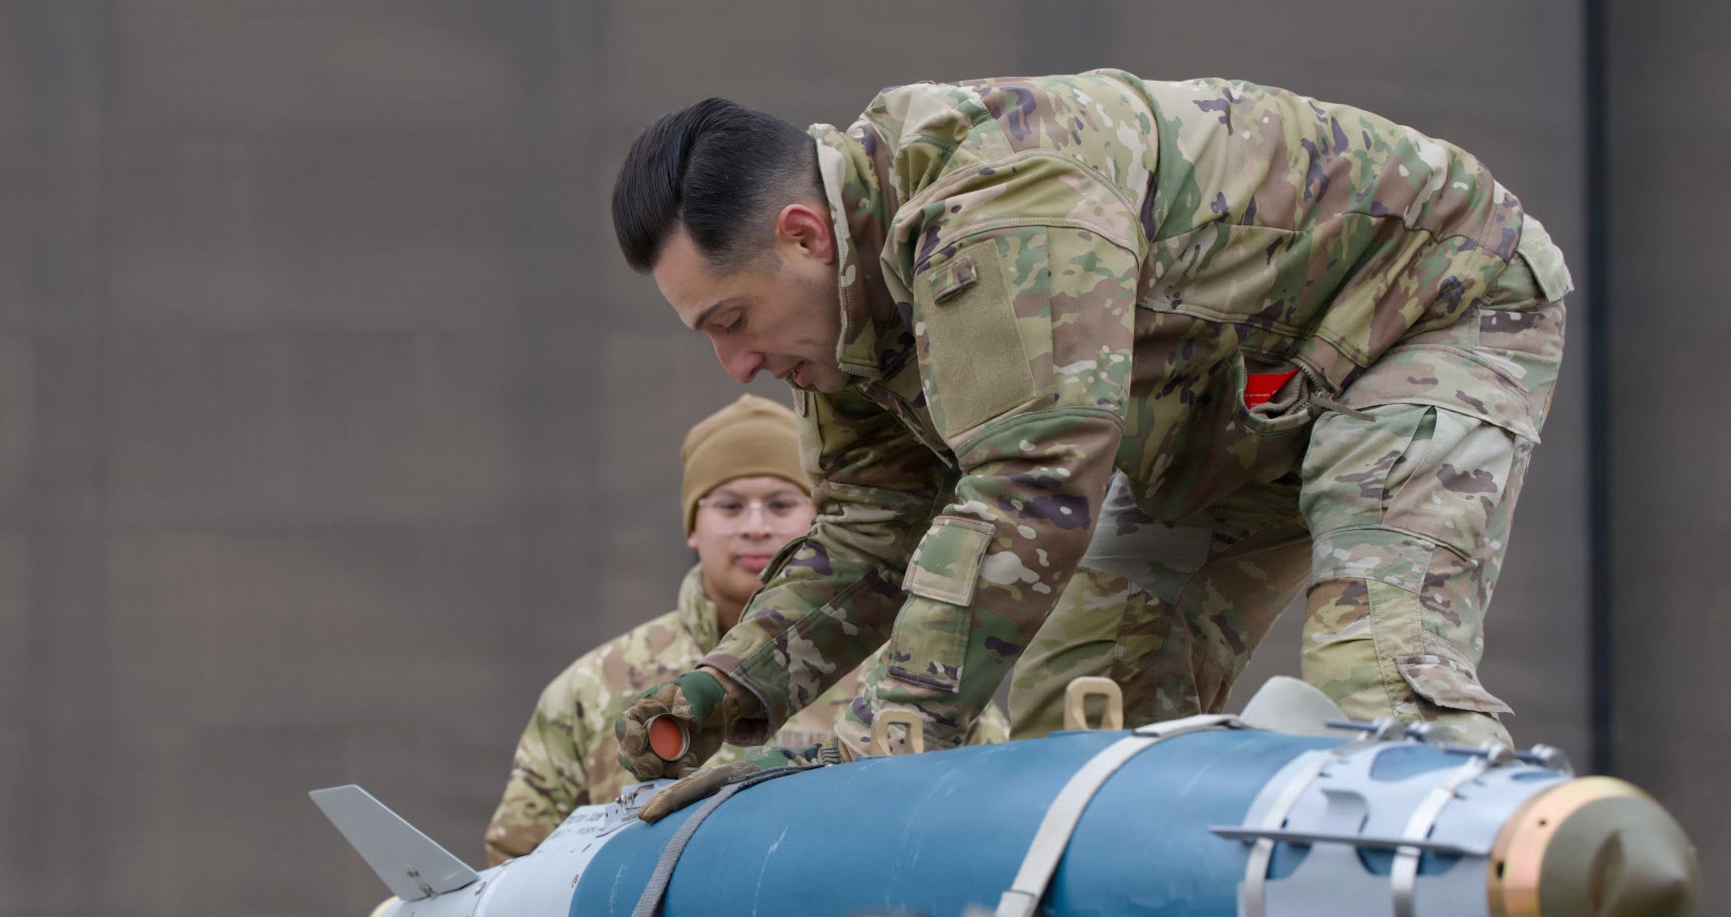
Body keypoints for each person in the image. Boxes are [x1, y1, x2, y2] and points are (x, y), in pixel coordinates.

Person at [606, 73, 1568, 796]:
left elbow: (1033, 482)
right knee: (1073, 731)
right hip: (1230, 402)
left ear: (805, 236)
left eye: (732, 322)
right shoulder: (844, 313)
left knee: (1378, 685)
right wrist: (731, 686)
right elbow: (872, 526)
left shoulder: (994, 204)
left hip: (1426, 308)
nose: (735, 369)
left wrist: (885, 726)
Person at [484, 394, 1008, 862]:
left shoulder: (910, 668)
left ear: (822, 521)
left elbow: (990, 811)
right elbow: (518, 863)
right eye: (729, 506)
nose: (755, 524)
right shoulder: (592, 687)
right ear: (693, 525)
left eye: (781, 503)